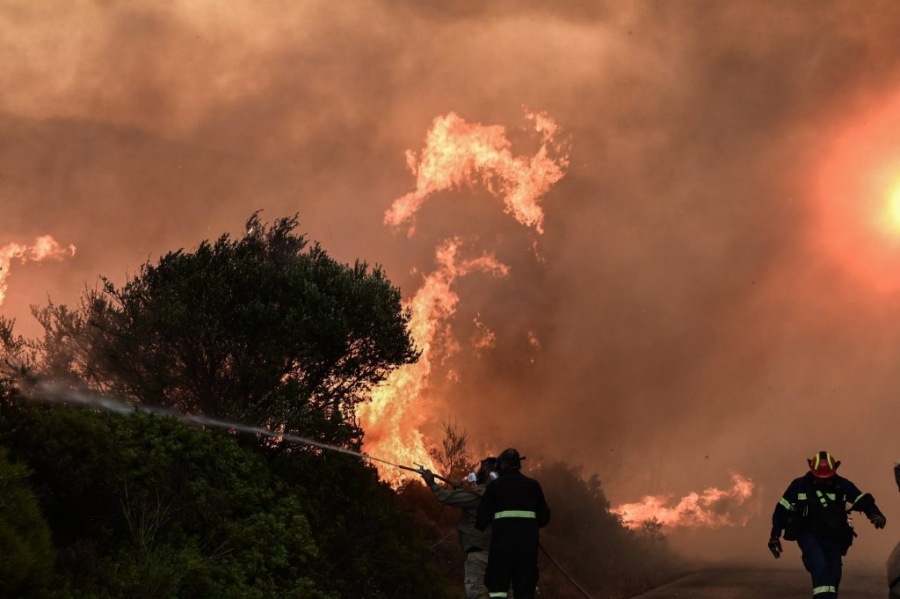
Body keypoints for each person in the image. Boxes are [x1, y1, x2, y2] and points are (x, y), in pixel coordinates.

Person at [768, 450, 886, 599]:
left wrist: (875, 514)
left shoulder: (842, 485)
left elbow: (861, 500)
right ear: (812, 471)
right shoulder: (799, 485)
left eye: (827, 478)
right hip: (808, 535)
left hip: (833, 537)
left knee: (834, 574)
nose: (823, 481)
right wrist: (775, 536)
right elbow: (781, 510)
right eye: (819, 478)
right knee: (820, 568)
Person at [475, 448, 550, 599]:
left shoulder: (495, 487)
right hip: (526, 554)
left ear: (501, 465)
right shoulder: (533, 486)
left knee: (498, 592)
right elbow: (544, 519)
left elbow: (481, 522)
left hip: (501, 553)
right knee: (524, 593)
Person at [421, 456, 498, 599]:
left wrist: (431, 483)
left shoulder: (478, 495)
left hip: (480, 556)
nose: (479, 472)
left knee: (479, 594)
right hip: (501, 556)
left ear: (489, 474)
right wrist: (460, 490)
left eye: (482, 470)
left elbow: (446, 497)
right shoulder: (503, 496)